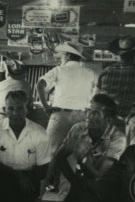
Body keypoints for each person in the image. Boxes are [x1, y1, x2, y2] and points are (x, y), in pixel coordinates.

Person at [37, 41, 96, 192]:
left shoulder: (59, 70)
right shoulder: (90, 73)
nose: (61, 58)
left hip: (60, 114)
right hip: (81, 116)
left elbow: (40, 84)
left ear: (68, 55)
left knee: (48, 153)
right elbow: (96, 96)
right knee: (71, 156)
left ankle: (40, 191)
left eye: (63, 55)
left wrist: (46, 106)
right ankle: (64, 194)